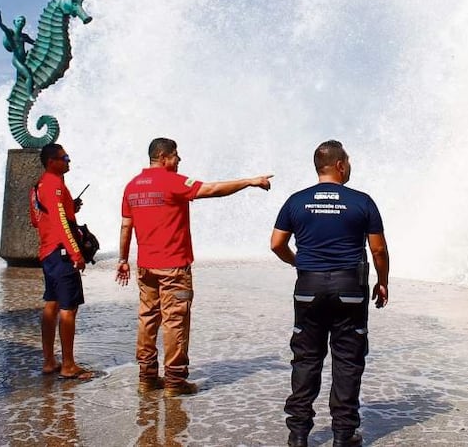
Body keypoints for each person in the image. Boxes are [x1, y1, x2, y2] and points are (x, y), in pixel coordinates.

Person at [114, 137, 273, 396]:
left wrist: (123, 260)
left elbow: (125, 226)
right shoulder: (173, 181)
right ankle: (175, 382)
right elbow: (211, 190)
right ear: (164, 157)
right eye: (176, 155)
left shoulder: (132, 186)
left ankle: (146, 377)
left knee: (147, 318)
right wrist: (249, 181)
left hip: (145, 267)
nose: (179, 160)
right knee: (175, 321)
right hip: (173, 267)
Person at [270, 140, 390, 447]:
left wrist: (300, 262)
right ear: (339, 165)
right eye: (348, 162)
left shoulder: (297, 201)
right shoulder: (362, 201)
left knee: (306, 359)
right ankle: (344, 435)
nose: (350, 166)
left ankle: (298, 435)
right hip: (350, 288)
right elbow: (377, 249)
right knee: (347, 360)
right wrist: (383, 281)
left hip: (308, 288)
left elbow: (276, 244)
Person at [29, 142, 93, 380]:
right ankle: (68, 365)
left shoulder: (37, 187)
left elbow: (38, 220)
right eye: (64, 158)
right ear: (52, 162)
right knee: (69, 308)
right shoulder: (55, 185)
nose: (68, 161)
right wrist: (76, 253)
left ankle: (49, 361)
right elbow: (60, 223)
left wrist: (70, 207)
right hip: (61, 252)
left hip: (47, 252)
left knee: (52, 304)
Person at [0, 7, 36, 96]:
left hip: (24, 59)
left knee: (19, 81)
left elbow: (35, 43)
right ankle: (30, 95)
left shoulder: (24, 36)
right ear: (14, 22)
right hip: (16, 60)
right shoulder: (11, 34)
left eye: (23, 21)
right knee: (28, 75)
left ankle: (12, 96)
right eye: (19, 21)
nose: (21, 22)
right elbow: (2, 25)